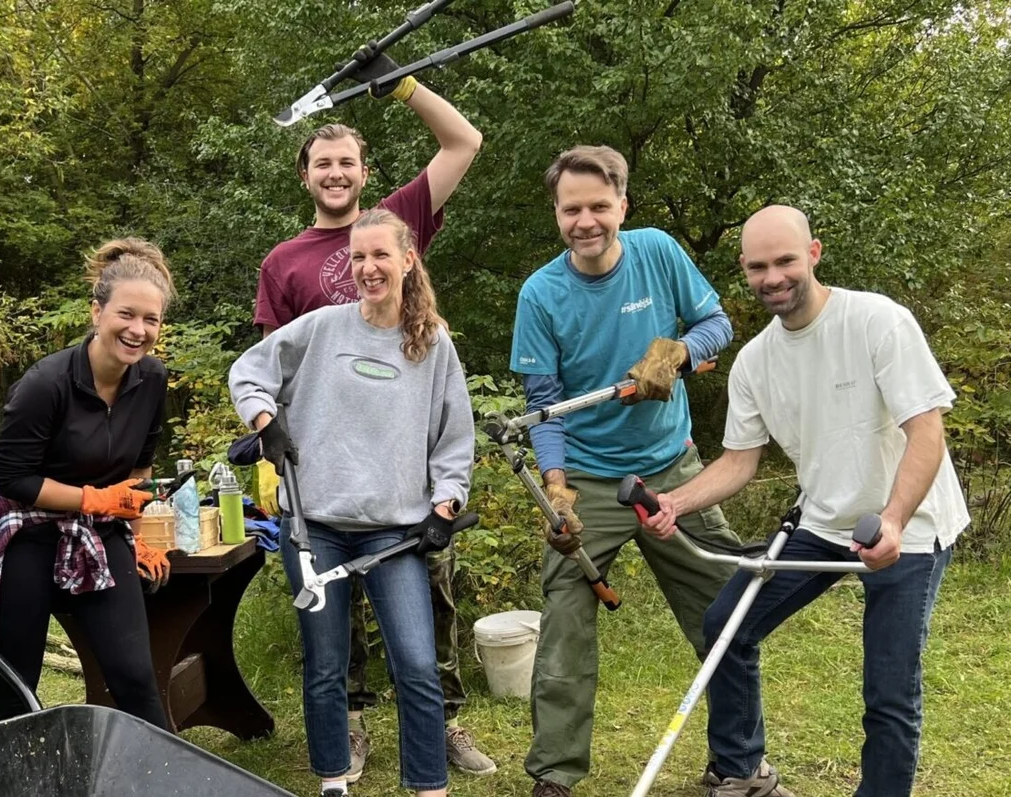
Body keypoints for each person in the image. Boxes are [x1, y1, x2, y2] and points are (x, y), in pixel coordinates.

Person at [640, 205, 967, 797]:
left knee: (889, 690)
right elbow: (740, 460)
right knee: (726, 626)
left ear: (813, 254)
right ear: (744, 269)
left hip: (907, 527)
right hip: (823, 519)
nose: (774, 277)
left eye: (786, 260)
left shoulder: (877, 321)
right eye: (759, 266)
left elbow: (927, 429)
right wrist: (675, 502)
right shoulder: (757, 361)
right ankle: (741, 770)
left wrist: (892, 520)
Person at [255, 63, 494, 778]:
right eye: (321, 162)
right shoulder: (284, 261)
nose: (335, 172)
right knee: (331, 644)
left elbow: (464, 143)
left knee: (426, 619)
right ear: (305, 174)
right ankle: (348, 735)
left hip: (400, 474)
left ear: (365, 173)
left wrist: (402, 86)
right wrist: (272, 444)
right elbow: (267, 364)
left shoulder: (395, 220)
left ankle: (440, 728)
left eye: (346, 161)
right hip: (321, 473)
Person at [509, 145, 743, 797]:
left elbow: (716, 322)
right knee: (564, 624)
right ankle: (555, 774)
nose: (586, 220)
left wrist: (677, 353)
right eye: (571, 209)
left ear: (622, 206)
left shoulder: (659, 252)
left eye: (598, 206)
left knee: (726, 611)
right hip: (587, 476)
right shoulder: (541, 294)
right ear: (557, 214)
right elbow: (543, 406)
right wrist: (556, 488)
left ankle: (737, 762)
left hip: (674, 469)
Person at [231, 209, 474, 797]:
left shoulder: (432, 343)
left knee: (416, 664)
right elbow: (247, 372)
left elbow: (454, 440)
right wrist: (266, 424)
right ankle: (333, 781)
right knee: (326, 666)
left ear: (407, 259)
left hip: (395, 534)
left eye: (380, 255)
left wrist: (445, 505)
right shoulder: (320, 328)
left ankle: (428, 786)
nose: (369, 268)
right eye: (358, 257)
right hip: (314, 527)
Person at [0, 238, 174, 728]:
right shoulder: (45, 384)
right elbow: (12, 479)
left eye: (151, 319)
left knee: (135, 676)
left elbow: (139, 469)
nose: (138, 330)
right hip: (26, 533)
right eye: (126, 314)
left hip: (97, 532)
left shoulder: (152, 380)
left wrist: (136, 535)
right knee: (17, 684)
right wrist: (93, 498)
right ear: (96, 312)